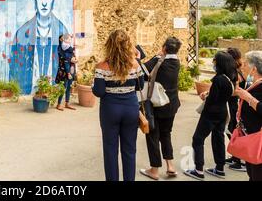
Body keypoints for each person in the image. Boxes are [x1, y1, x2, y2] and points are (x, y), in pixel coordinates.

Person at [92, 29, 144, 181]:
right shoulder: (134, 65)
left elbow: (99, 92)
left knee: (110, 150)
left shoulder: (101, 66)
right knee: (129, 150)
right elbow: (140, 85)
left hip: (110, 110)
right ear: (128, 45)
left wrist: (93, 86)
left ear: (109, 45)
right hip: (130, 109)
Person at [10, 0, 68, 94]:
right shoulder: (22, 33)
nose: (44, 2)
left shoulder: (62, 31)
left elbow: (67, 62)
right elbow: (14, 73)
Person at [184, 51, 237, 180]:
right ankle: (219, 168)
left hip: (211, 113)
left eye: (215, 61)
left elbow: (212, 99)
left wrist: (204, 98)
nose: (213, 63)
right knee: (218, 139)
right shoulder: (230, 79)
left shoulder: (218, 79)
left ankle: (198, 170)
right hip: (222, 111)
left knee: (198, 139)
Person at [139, 37, 182, 180]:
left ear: (164, 47)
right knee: (166, 133)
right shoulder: (176, 62)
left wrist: (156, 56)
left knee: (152, 135)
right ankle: (170, 166)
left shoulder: (160, 60)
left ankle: (154, 170)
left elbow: (142, 70)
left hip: (158, 104)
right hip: (172, 104)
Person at [234, 51, 262, 181]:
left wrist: (249, 98)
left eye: (245, 64)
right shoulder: (253, 84)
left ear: (254, 68)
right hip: (251, 138)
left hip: (258, 141)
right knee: (252, 173)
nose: (242, 66)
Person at [224, 47, 247, 172]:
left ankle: (238, 159)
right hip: (233, 104)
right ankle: (235, 156)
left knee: (233, 131)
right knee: (231, 130)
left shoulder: (235, 72)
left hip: (233, 105)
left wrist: (224, 92)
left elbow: (236, 91)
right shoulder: (237, 69)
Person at [55, 33, 77, 111]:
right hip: (64, 70)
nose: (63, 40)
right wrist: (70, 59)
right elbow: (64, 59)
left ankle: (67, 103)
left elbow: (72, 56)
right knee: (63, 87)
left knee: (69, 86)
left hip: (71, 69)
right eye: (62, 38)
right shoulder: (60, 48)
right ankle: (58, 104)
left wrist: (74, 59)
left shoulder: (69, 47)